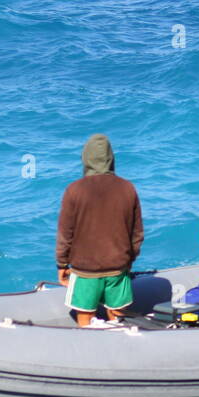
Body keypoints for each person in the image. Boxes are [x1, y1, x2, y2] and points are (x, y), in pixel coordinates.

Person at [56, 134, 144, 328]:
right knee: (119, 319)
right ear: (111, 159)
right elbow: (137, 234)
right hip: (118, 267)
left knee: (85, 319)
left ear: (85, 158)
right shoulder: (128, 188)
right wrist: (128, 260)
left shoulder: (74, 190)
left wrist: (62, 264)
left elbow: (65, 234)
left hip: (85, 269)